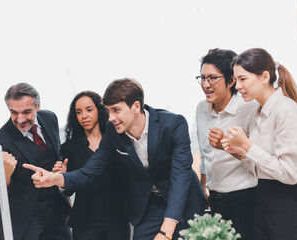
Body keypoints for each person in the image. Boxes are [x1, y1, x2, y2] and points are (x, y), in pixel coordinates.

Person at [23, 78, 206, 240]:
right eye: (108, 111)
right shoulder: (113, 132)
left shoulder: (173, 124)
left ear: (135, 106)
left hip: (184, 201)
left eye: (116, 110)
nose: (110, 118)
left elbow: (180, 176)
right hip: (149, 205)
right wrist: (57, 179)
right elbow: (91, 170)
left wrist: (167, 230)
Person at [221, 48, 297, 240]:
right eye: (235, 79)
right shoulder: (257, 112)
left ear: (264, 76)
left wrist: (247, 146)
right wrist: (238, 152)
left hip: (287, 204)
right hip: (263, 199)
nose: (237, 86)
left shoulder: (286, 110)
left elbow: (290, 173)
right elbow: (260, 170)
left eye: (243, 79)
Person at [0, 83, 71, 240]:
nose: (20, 119)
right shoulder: (0, 142)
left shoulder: (50, 118)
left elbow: (57, 156)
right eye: (14, 113)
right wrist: (5, 175)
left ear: (38, 106)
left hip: (57, 211)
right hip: (28, 219)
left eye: (26, 112)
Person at [195, 48, 258, 240]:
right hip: (215, 200)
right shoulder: (200, 109)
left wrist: (228, 147)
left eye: (212, 78)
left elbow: (257, 163)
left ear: (231, 81)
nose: (206, 84)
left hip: (245, 200)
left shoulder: (249, 109)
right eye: (202, 78)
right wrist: (203, 189)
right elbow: (205, 157)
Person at [53, 91, 130, 240]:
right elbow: (69, 190)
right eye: (78, 112)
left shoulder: (118, 138)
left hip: (117, 216)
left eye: (89, 110)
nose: (84, 116)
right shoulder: (69, 148)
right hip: (85, 218)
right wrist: (63, 176)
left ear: (99, 110)